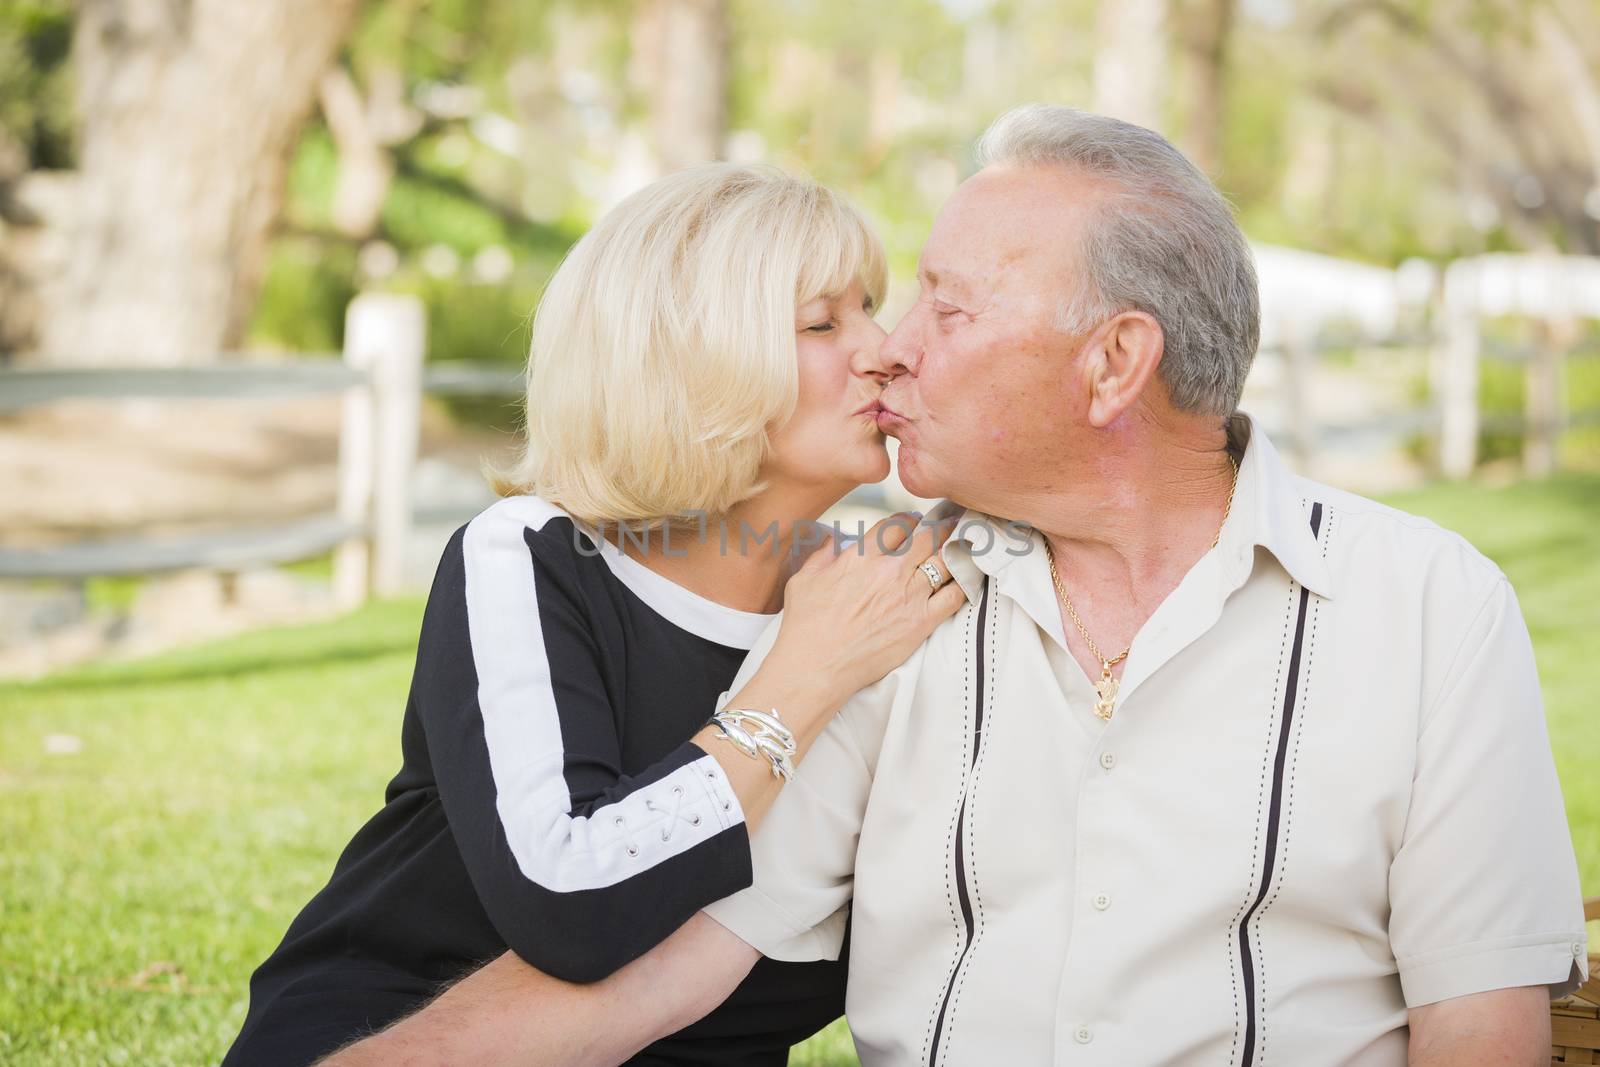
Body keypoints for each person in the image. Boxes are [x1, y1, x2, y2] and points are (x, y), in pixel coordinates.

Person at [324, 105, 1590, 1067]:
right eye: (859, 313)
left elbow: (1479, 1016)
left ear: (1111, 366)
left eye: (942, 304)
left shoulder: (1426, 605)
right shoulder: (880, 601)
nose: (895, 348)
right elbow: (657, 971)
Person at [221, 162, 966, 1067]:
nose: (881, 348)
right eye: (822, 321)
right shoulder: (530, 555)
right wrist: (802, 678)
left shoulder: (872, 594)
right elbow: (568, 898)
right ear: (695, 364)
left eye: (870, 308)